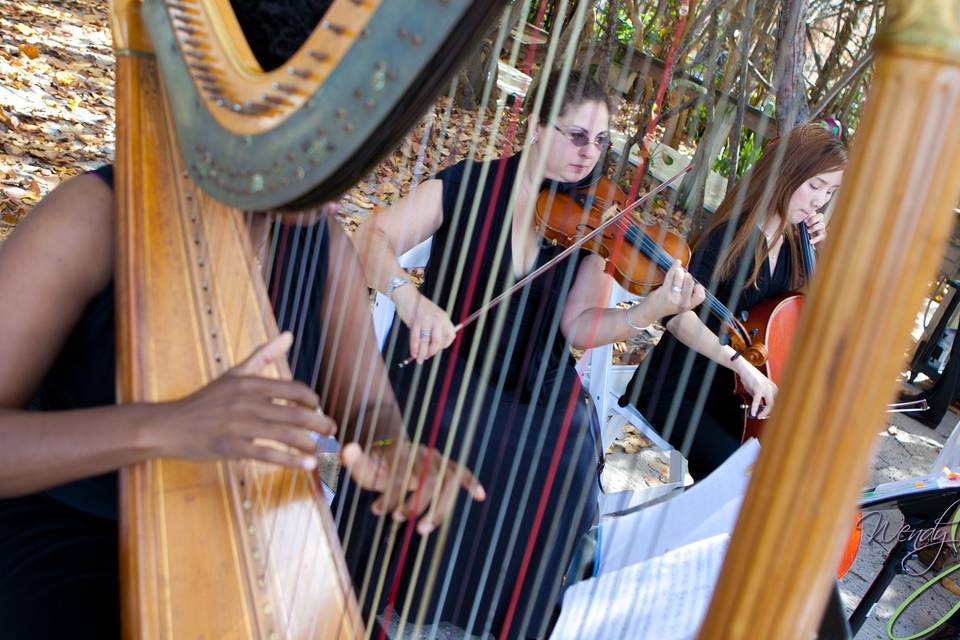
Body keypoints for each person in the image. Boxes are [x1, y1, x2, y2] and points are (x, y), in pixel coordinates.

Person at [0, 165, 482, 639]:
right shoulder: (94, 214)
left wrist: (391, 449)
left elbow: (367, 411)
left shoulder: (323, 243)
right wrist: (162, 427)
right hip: (70, 540)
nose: (344, 173)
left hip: (241, 545)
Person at [345, 70, 705, 639]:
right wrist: (410, 303)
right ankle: (396, 602)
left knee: (566, 466)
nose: (590, 153)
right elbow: (370, 237)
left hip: (536, 382)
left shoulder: (593, 219)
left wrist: (649, 310)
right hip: (446, 365)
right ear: (538, 127)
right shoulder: (467, 184)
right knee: (460, 430)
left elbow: (579, 326)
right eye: (577, 135)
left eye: (600, 141)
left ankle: (495, 622)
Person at [619, 122, 847, 479]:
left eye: (829, 192)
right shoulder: (730, 238)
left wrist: (821, 252)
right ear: (786, 175)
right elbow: (678, 319)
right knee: (740, 477)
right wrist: (743, 367)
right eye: (814, 186)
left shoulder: (793, 249)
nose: (819, 201)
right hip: (676, 390)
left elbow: (797, 321)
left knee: (780, 471)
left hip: (731, 398)